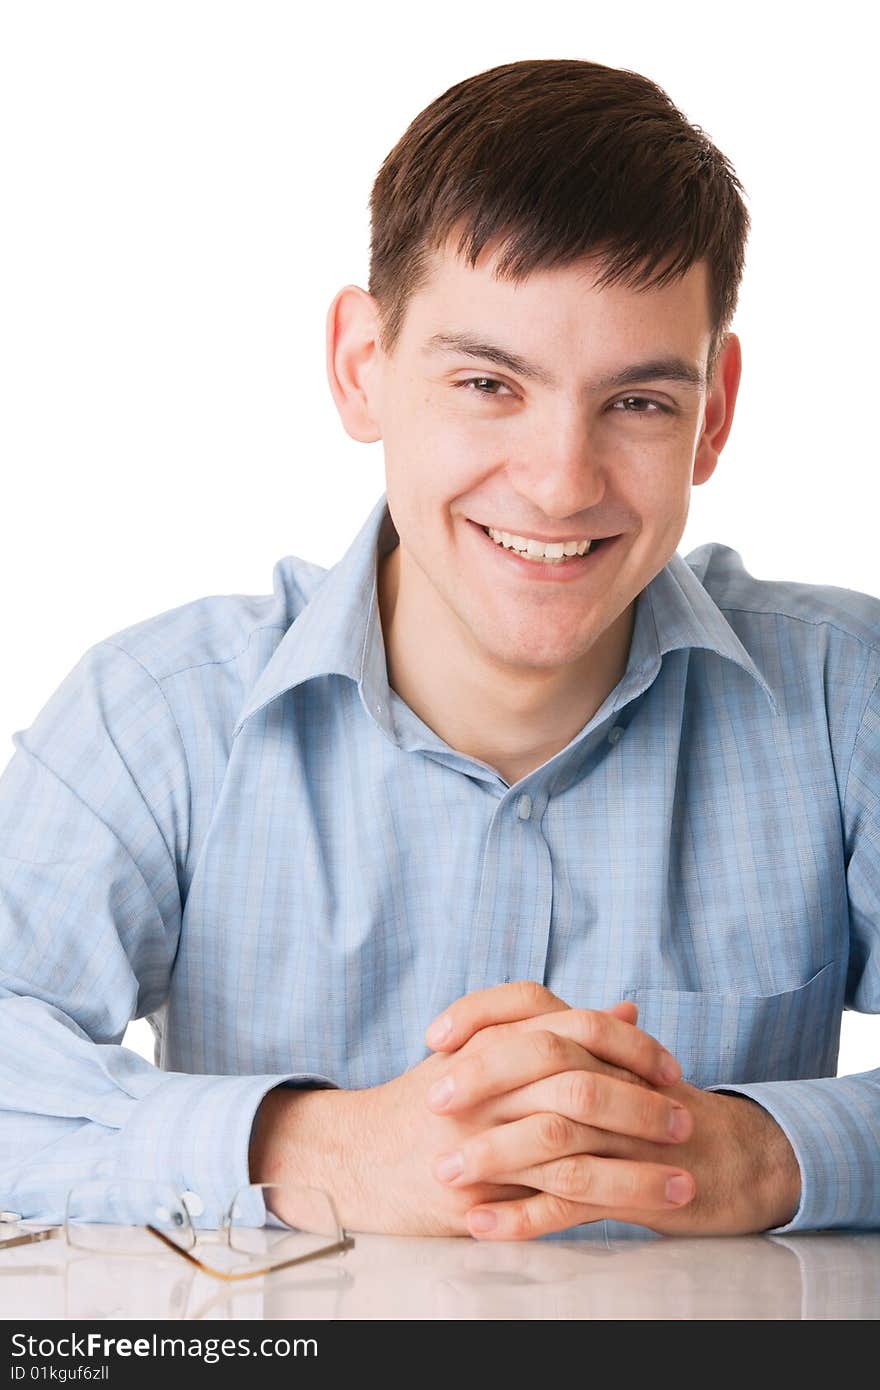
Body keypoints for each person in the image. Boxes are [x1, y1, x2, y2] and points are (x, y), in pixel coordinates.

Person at [1, 57, 877, 1246]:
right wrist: (313, 1151)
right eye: (487, 382)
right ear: (363, 366)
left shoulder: (844, 702)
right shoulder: (156, 713)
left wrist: (766, 1158)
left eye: (638, 403)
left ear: (713, 411)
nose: (560, 482)